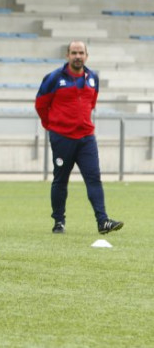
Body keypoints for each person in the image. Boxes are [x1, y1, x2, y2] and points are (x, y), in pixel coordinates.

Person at [35, 41, 123, 235]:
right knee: (61, 180)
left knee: (94, 178)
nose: (77, 56)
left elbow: (91, 102)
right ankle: (59, 221)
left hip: (86, 138)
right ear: (67, 55)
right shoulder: (54, 78)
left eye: (81, 53)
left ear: (86, 56)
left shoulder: (93, 78)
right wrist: (51, 126)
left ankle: (103, 221)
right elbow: (41, 104)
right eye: (74, 53)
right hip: (62, 138)